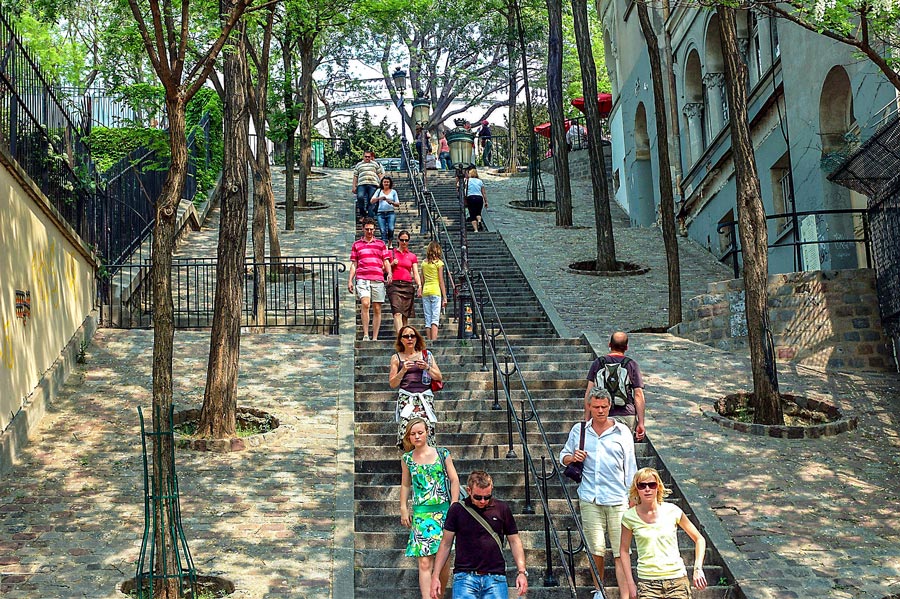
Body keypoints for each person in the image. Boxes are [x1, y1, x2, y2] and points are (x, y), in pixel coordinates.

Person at [560, 390, 637, 599]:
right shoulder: (579, 430)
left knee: (621, 551)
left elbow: (630, 466)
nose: (600, 410)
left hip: (618, 498)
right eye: (596, 407)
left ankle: (624, 595)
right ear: (589, 407)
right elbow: (563, 456)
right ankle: (599, 591)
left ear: (609, 406)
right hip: (590, 497)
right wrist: (572, 457)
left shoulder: (622, 432)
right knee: (596, 549)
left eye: (604, 406)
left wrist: (633, 497)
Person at [430, 471, 529, 599]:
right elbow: (445, 544)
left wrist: (521, 571)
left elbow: (514, 541)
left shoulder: (501, 508)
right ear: (469, 490)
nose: (483, 501)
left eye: (487, 497)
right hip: (465, 577)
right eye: (478, 497)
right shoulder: (457, 510)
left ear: (491, 490)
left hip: (495, 577)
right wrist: (435, 575)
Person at [618, 468, 708, 599]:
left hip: (677, 580)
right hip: (647, 583)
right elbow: (624, 550)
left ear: (658, 487)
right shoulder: (629, 517)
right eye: (642, 486)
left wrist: (698, 568)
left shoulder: (673, 510)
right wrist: (630, 583)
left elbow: (699, 539)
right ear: (636, 489)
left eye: (651, 485)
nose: (647, 489)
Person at [400, 417, 460, 599]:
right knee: (424, 562)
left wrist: (454, 505)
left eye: (420, 432)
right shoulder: (407, 459)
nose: (417, 436)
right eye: (413, 434)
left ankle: (439, 595)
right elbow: (405, 485)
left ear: (427, 433)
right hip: (421, 515)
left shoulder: (442, 454)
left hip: (443, 513)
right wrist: (403, 507)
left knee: (443, 561)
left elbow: (454, 480)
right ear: (408, 437)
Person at [583, 331, 646, 441]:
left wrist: (587, 418)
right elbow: (638, 394)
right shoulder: (631, 364)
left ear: (609, 345)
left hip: (601, 413)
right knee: (623, 449)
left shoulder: (598, 363)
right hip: (626, 414)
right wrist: (641, 422)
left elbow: (589, 392)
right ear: (626, 347)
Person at [389, 326, 443, 448]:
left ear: (416, 338)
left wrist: (427, 367)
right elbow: (392, 383)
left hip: (424, 397)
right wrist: (403, 371)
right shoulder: (396, 358)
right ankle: (410, 461)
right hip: (407, 398)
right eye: (406, 336)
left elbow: (439, 377)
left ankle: (427, 461)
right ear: (401, 339)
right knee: (407, 431)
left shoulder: (426, 355)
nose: (409, 339)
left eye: (412, 336)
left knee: (426, 429)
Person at [348, 218, 392, 341]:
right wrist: (350, 280)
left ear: (374, 230)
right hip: (362, 277)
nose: (369, 231)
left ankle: (375, 337)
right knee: (365, 304)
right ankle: (366, 334)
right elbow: (354, 264)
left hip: (377, 278)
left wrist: (389, 273)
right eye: (367, 229)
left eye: (371, 229)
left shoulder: (381, 244)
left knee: (377, 307)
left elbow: (386, 261)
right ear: (363, 229)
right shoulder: (357, 244)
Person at [387, 231, 423, 333]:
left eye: (406, 240)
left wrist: (419, 285)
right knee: (397, 312)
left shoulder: (412, 256)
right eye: (402, 240)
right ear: (398, 240)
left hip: (407, 285)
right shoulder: (391, 253)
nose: (404, 242)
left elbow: (415, 272)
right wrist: (391, 264)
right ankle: (400, 338)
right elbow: (383, 269)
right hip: (394, 285)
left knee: (405, 315)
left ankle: (405, 337)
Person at [420, 241, 447, 341]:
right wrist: (444, 296)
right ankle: (434, 341)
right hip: (435, 291)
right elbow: (441, 280)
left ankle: (428, 340)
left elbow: (422, 279)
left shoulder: (423, 263)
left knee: (428, 318)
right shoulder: (439, 263)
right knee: (435, 318)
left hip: (426, 291)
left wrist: (421, 289)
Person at [352, 150, 385, 222]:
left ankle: (370, 217)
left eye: (368, 157)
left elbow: (380, 174)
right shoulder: (359, 164)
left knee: (372, 200)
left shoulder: (375, 164)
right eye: (366, 156)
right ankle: (363, 214)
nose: (367, 158)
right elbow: (355, 176)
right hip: (361, 184)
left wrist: (382, 184)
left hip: (372, 184)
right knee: (360, 197)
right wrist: (354, 186)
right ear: (363, 157)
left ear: (371, 157)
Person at [371, 176, 400, 246]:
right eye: (385, 182)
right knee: (383, 230)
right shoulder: (379, 191)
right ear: (382, 183)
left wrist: (391, 202)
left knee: (391, 228)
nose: (386, 183)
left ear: (390, 183)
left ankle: (390, 242)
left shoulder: (393, 192)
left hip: (390, 213)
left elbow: (398, 204)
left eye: (387, 182)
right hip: (380, 213)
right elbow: (371, 201)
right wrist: (379, 198)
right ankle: (384, 245)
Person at [464, 167, 487, 232]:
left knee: (472, 214)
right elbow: (484, 193)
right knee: (478, 213)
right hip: (479, 198)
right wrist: (486, 201)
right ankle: (479, 221)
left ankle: (476, 229)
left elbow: (460, 187)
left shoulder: (467, 180)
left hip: (470, 197)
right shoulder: (480, 181)